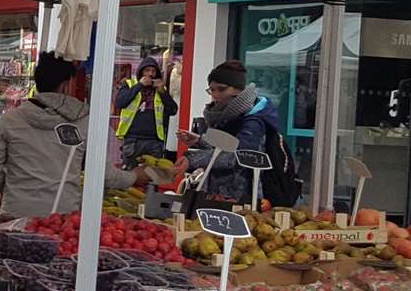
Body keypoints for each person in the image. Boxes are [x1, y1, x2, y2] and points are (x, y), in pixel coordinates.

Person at [0, 53, 145, 218]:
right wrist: (134, 176)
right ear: (65, 86)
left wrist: (15, 189)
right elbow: (105, 175)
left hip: (16, 211)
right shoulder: (84, 122)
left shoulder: (10, 120)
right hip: (61, 216)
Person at [177, 59, 300, 206]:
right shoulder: (225, 114)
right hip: (219, 193)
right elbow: (227, 144)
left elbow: (239, 154)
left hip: (246, 197)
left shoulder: (255, 120)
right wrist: (200, 140)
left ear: (238, 89)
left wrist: (192, 159)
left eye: (221, 89)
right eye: (212, 89)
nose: (215, 95)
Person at [115, 60, 177, 166]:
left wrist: (162, 92)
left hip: (154, 140)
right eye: (147, 70)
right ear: (141, 72)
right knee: (131, 175)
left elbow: (173, 110)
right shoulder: (130, 84)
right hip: (133, 139)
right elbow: (120, 102)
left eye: (153, 71)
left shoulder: (161, 89)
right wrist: (139, 85)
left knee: (153, 177)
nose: (150, 74)